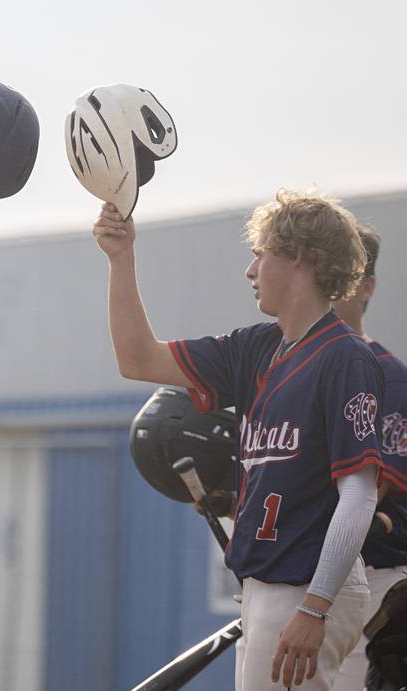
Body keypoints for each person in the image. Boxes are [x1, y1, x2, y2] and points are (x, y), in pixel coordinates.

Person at [93, 189, 384, 690]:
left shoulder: (345, 358)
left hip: (306, 589)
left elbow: (359, 495)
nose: (251, 271)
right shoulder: (256, 347)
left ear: (298, 258)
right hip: (269, 588)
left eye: (261, 252)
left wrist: (315, 608)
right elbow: (137, 359)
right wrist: (122, 259)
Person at [331, 226, 407, 691]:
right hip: (299, 581)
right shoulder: (282, 368)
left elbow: (373, 494)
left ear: (366, 287)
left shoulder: (389, 376)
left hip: (372, 583)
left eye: (343, 274)